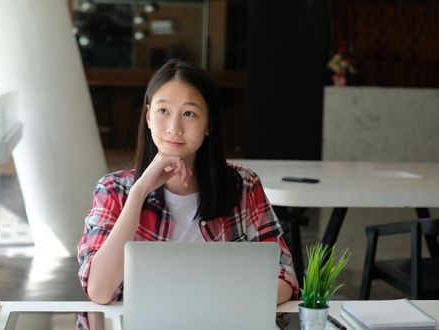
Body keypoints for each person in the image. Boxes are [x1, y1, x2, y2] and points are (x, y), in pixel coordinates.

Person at [77, 58, 298, 305]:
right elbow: (99, 290)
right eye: (163, 111)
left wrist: (221, 302)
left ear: (208, 124)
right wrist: (140, 191)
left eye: (189, 113)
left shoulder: (243, 185)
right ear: (148, 117)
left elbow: (284, 274)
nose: (175, 128)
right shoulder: (113, 190)